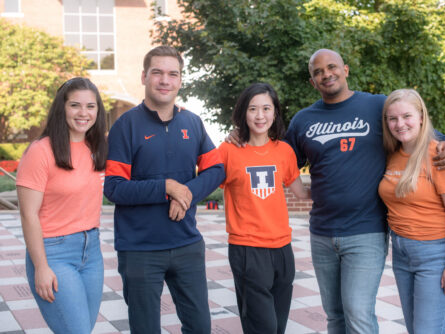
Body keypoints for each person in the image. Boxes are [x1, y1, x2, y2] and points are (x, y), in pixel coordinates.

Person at [228, 48, 445, 333]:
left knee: (358, 312)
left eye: (332, 67)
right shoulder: (304, 120)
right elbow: (274, 155)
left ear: (346, 70)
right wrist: (239, 135)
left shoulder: (376, 106)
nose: (326, 74)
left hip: (366, 232)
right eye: (318, 72)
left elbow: (414, 124)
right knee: (335, 316)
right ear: (313, 82)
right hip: (322, 233)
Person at [104, 45, 225, 334]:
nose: (164, 80)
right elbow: (114, 188)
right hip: (140, 249)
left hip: (187, 244)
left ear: (180, 80)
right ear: (144, 76)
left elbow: (217, 169)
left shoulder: (192, 122)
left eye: (173, 74)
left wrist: (186, 194)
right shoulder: (125, 126)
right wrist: (166, 188)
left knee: (200, 327)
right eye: (157, 72)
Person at [16, 77, 107, 334]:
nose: (83, 113)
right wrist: (42, 267)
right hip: (54, 252)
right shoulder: (41, 151)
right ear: (62, 108)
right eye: (75, 105)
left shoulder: (98, 148)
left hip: (92, 252)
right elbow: (28, 215)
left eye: (91, 106)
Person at [219, 83, 310, 334]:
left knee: (278, 327)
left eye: (266, 108)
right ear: (243, 113)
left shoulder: (284, 151)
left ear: (275, 112)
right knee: (263, 327)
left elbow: (301, 192)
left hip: (283, 248)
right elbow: (206, 183)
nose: (260, 116)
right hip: (248, 248)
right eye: (253, 109)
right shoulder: (228, 150)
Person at [378, 89, 445, 333]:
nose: (400, 124)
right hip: (402, 252)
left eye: (407, 116)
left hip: (437, 254)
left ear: (421, 116)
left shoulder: (441, 154)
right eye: (392, 118)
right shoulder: (392, 154)